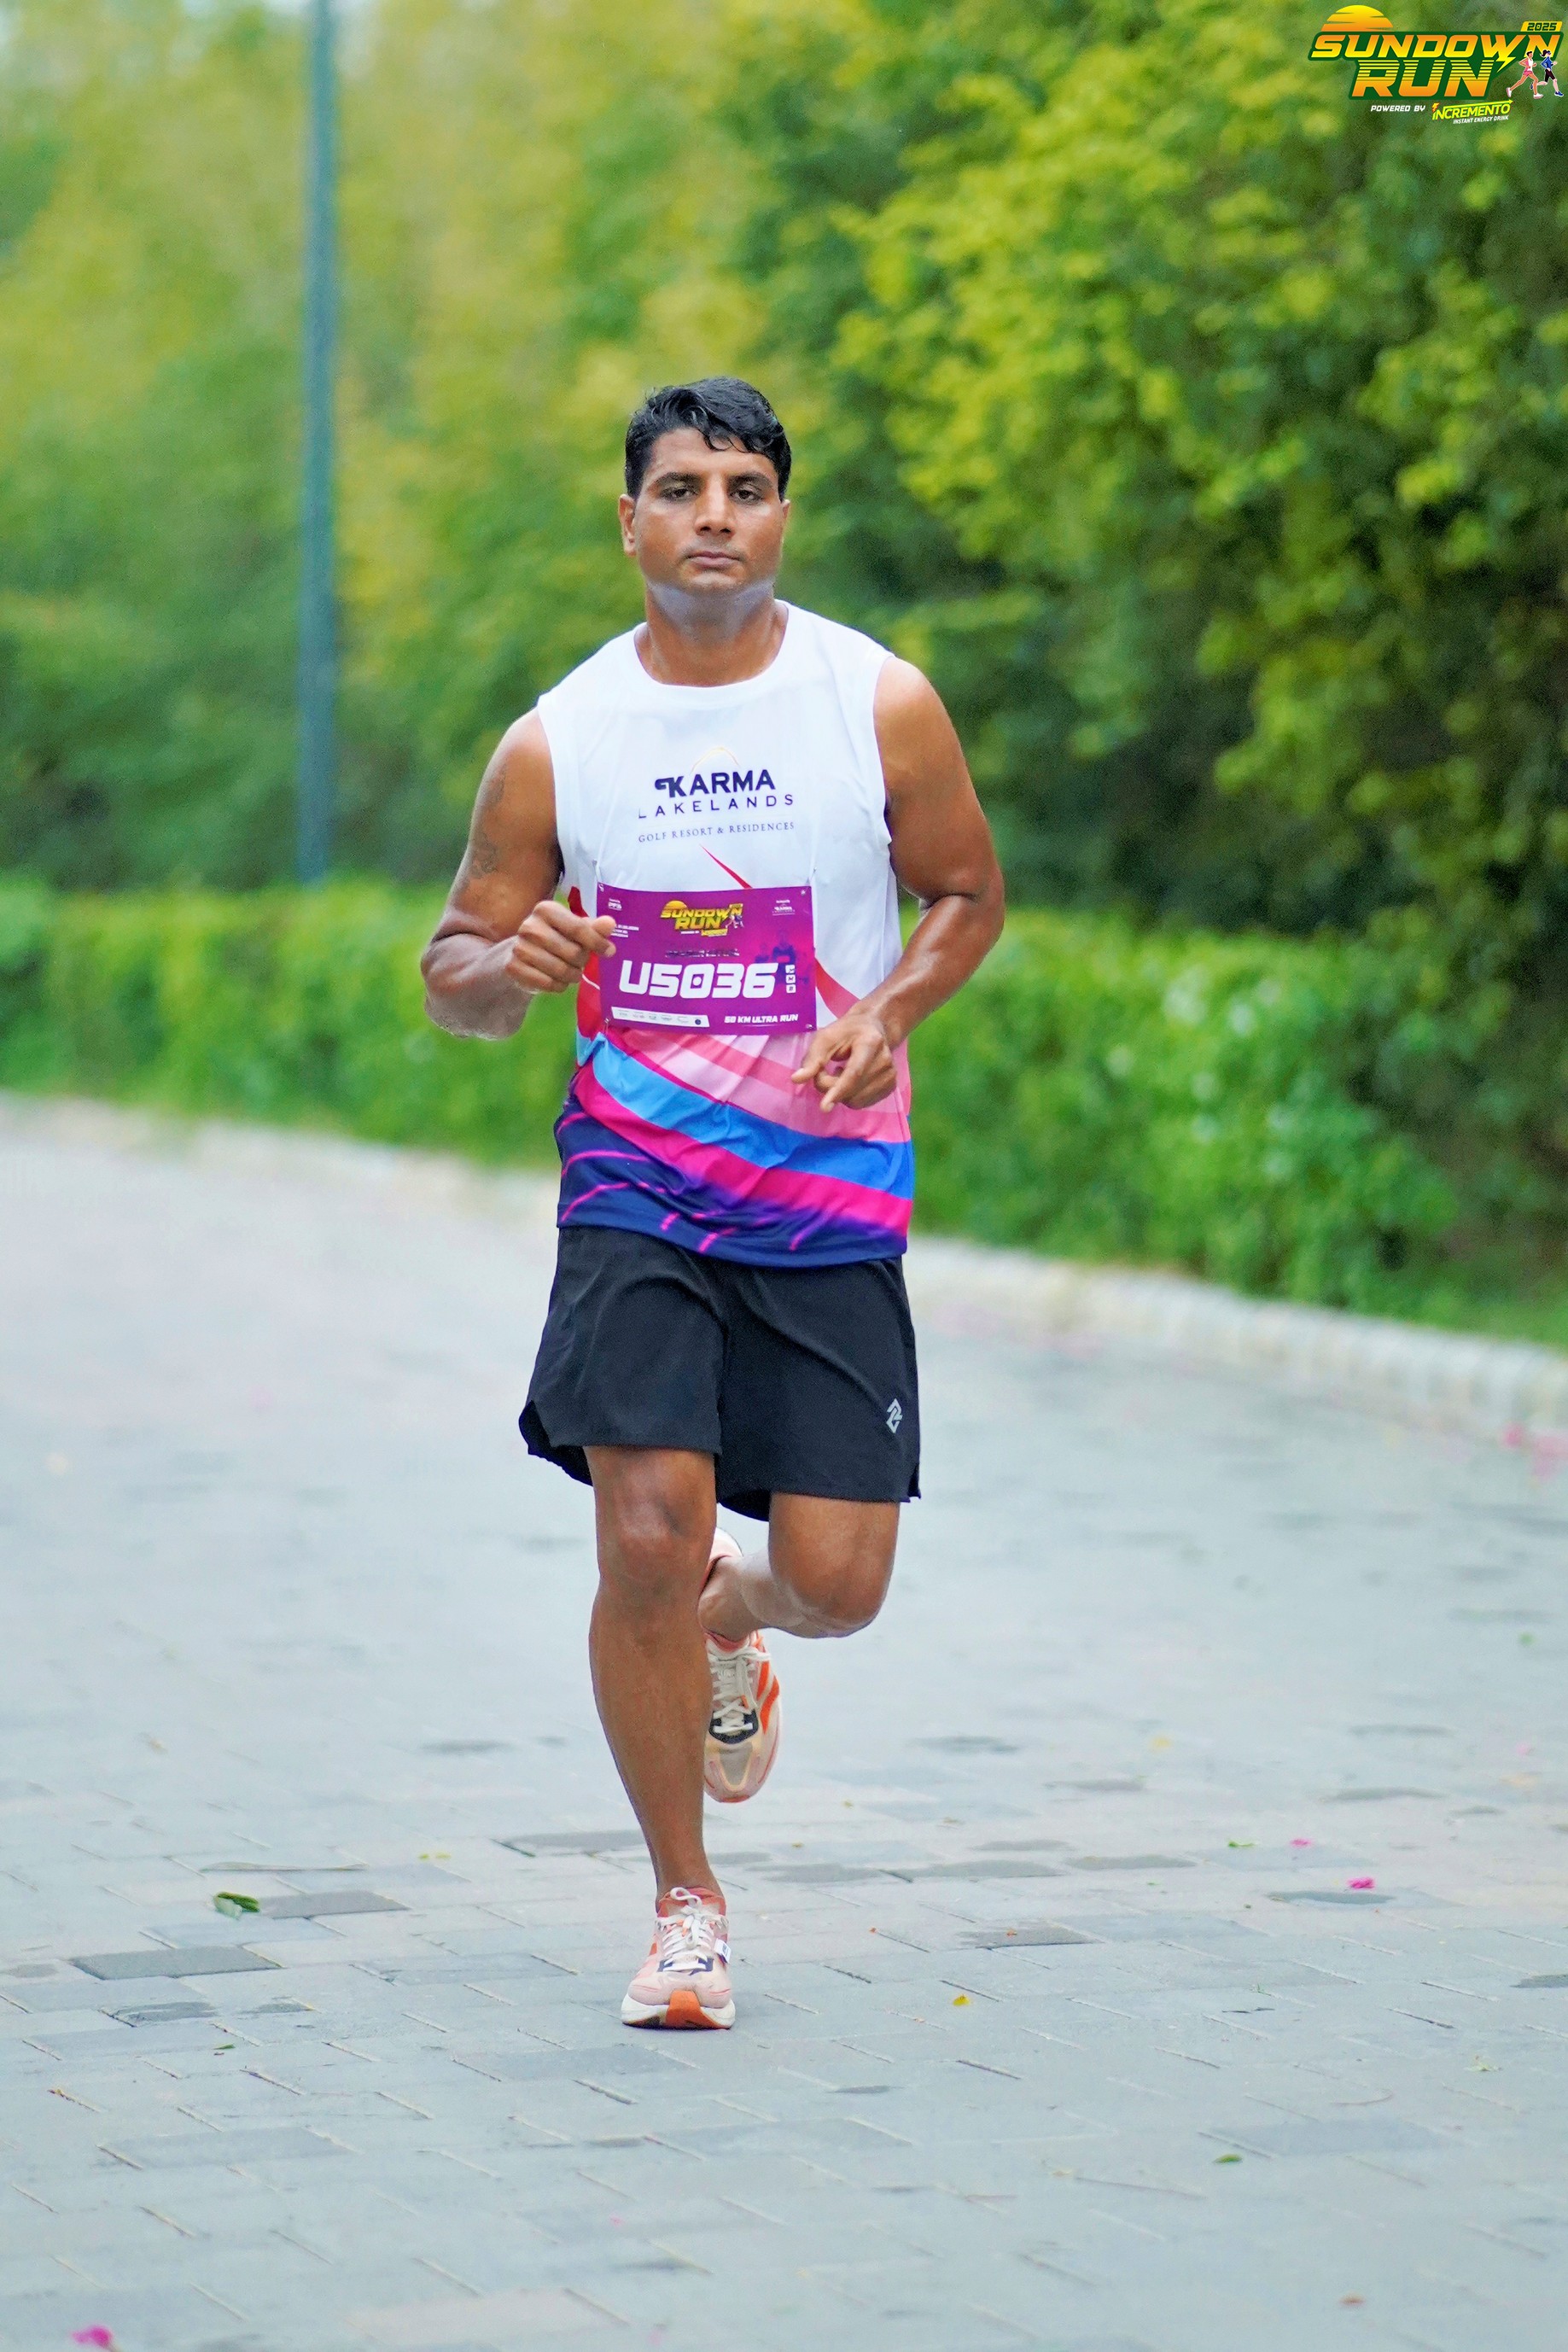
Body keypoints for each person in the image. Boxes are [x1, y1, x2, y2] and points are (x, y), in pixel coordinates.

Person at [422, 377, 1004, 2029]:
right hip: (636, 1184)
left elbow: (967, 893)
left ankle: (737, 1624)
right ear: (630, 524)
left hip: (826, 1195)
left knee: (837, 1581)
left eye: (744, 488)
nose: (714, 517)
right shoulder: (560, 736)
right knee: (644, 1532)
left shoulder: (876, 702)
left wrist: (886, 1009)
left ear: (781, 518)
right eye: (680, 489)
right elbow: (453, 966)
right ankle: (686, 1904)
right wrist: (512, 964)